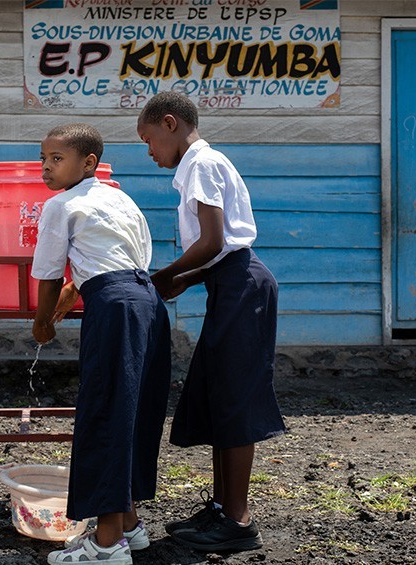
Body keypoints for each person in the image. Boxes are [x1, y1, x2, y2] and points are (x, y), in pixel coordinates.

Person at [136, 91, 287, 552]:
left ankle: (237, 523)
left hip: (242, 284)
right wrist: (192, 279)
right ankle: (222, 509)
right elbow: (218, 252)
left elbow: (214, 239)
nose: (149, 152)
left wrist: (161, 276)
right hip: (230, 280)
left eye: (148, 141)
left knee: (236, 398)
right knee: (222, 394)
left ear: (169, 124)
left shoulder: (201, 164)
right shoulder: (200, 165)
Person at [30, 123, 171, 565]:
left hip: (114, 307)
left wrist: (41, 323)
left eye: (57, 159)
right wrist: (82, 286)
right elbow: (123, 257)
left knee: (107, 412)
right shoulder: (119, 197)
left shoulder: (59, 205)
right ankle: (129, 523)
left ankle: (107, 545)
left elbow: (49, 273)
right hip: (147, 302)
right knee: (131, 412)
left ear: (88, 162)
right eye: (44, 160)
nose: (47, 168)